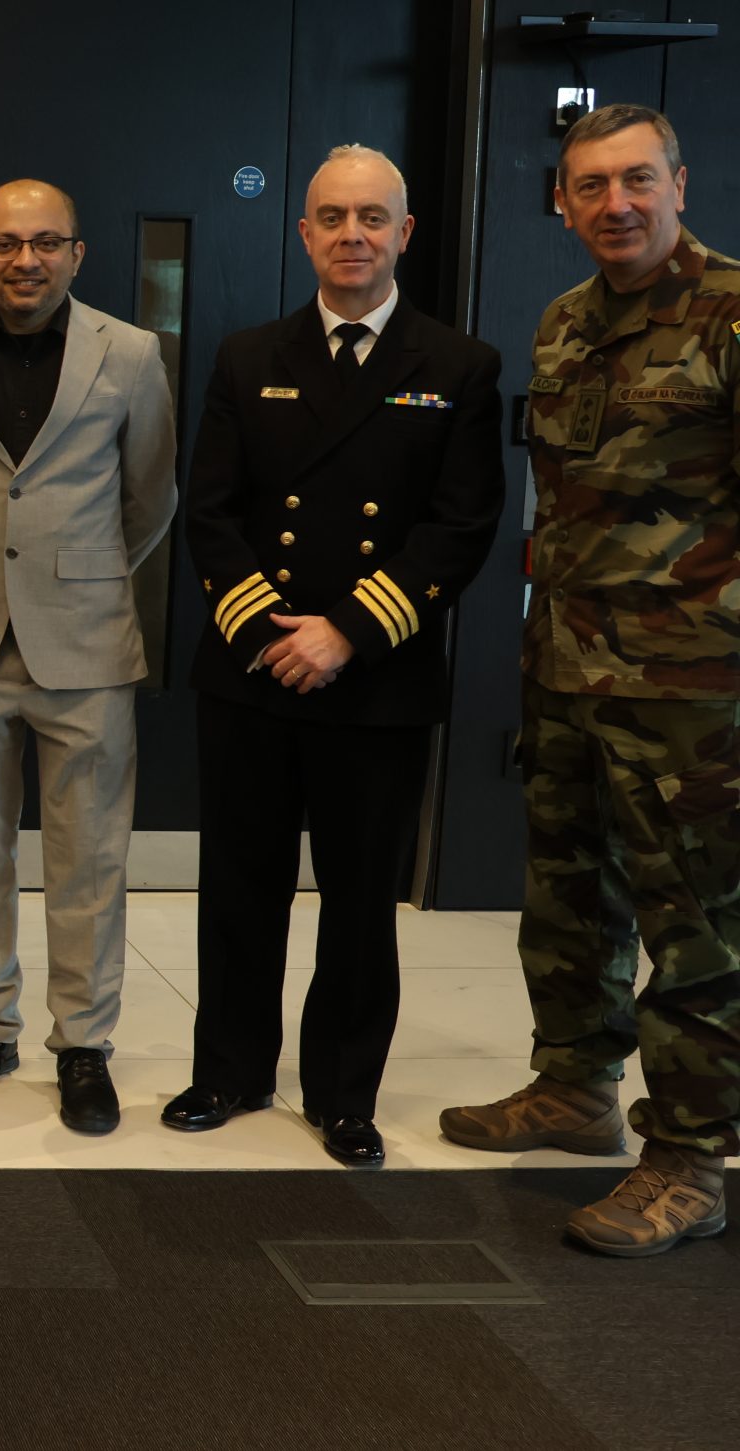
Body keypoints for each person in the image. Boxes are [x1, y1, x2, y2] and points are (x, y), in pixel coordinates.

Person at [165, 145, 503, 1170]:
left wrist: (346, 630)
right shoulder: (245, 355)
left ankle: (343, 1093)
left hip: (377, 677)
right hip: (254, 670)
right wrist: (277, 633)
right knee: (238, 885)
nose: (350, 234)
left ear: (404, 233)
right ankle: (227, 1068)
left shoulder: (455, 366)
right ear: (302, 233)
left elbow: (460, 526)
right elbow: (211, 514)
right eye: (330, 216)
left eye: (371, 217)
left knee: (359, 899)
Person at [441, 105, 738, 1252]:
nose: (614, 205)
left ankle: (690, 1162)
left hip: (690, 697)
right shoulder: (565, 324)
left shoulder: (728, 313)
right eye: (588, 188)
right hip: (566, 669)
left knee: (700, 927)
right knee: (569, 894)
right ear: (561, 204)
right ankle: (573, 1089)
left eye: (634, 181)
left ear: (677, 181)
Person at [0, 180, 177, 1136]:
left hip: (87, 637)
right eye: (6, 244)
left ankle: (85, 1043)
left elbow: (150, 495)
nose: (26, 260)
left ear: (78, 253)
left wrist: (79, 570)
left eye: (46, 243)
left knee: (90, 856)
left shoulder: (133, 353)